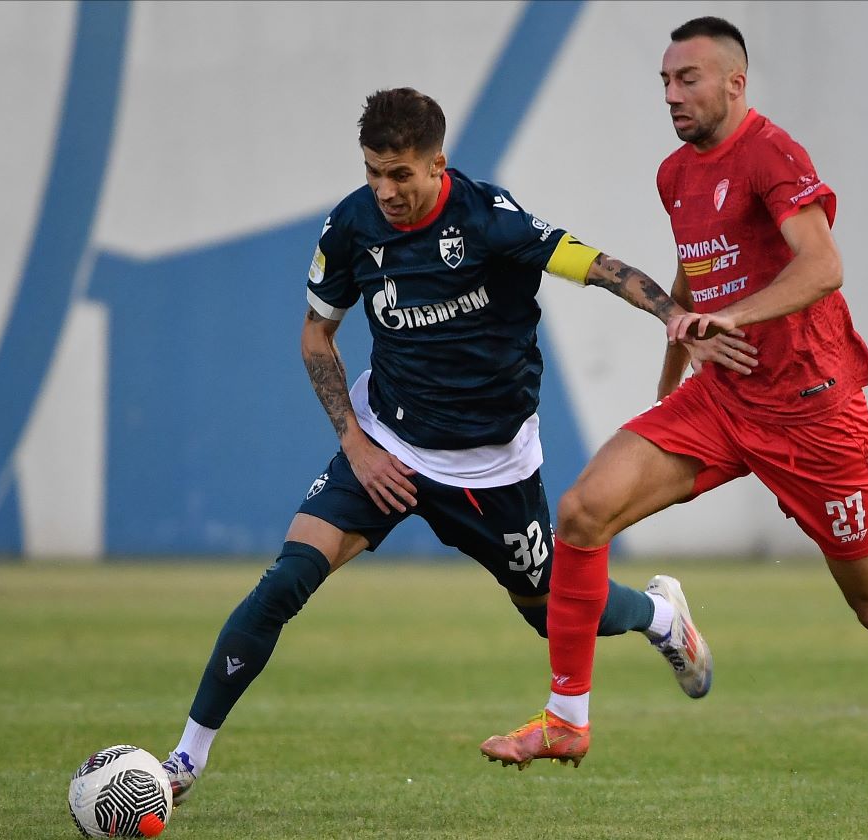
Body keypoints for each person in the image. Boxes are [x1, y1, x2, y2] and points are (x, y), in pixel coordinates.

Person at [481, 16, 868, 808]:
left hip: (811, 412)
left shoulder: (773, 153)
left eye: (687, 78)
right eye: (664, 81)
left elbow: (823, 266)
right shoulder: (675, 174)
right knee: (585, 511)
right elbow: (695, 271)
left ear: (736, 81)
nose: (671, 94)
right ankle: (567, 719)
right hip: (721, 399)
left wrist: (735, 320)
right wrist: (673, 364)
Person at [160, 87, 759, 805]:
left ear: (437, 163)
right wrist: (354, 443)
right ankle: (183, 762)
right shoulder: (351, 227)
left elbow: (597, 266)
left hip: (493, 466)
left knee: (551, 614)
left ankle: (662, 617)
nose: (385, 190)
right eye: (374, 172)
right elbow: (317, 333)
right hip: (388, 445)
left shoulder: (489, 219)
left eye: (401, 174)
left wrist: (672, 315)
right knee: (286, 580)